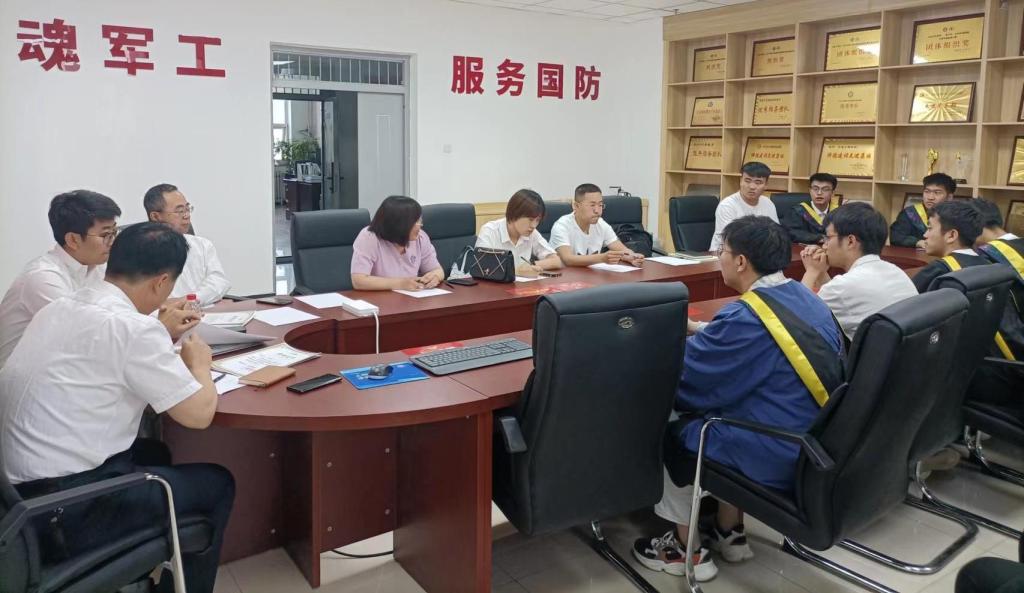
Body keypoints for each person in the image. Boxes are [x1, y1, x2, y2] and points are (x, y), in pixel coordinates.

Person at [0, 222, 233, 593]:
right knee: (217, 483)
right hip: (67, 510)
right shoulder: (133, 329)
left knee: (155, 451)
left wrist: (161, 336)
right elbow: (198, 415)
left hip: (18, 499)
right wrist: (200, 365)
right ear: (161, 282)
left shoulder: (60, 307)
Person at [633, 216, 843, 582]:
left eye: (723, 251)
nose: (720, 258)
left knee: (669, 419)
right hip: (812, 440)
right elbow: (765, 344)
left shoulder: (745, 318)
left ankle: (685, 549)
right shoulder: (802, 297)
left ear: (741, 261)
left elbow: (687, 383)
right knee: (730, 402)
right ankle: (729, 531)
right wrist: (705, 331)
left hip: (775, 452)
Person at [0, 190, 121, 368]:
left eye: (114, 232)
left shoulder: (97, 267)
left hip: (64, 368)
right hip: (23, 379)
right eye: (105, 235)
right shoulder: (43, 278)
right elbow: (89, 336)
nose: (113, 241)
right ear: (72, 240)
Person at [800, 202, 917, 341]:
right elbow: (840, 300)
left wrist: (811, 272)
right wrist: (821, 272)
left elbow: (796, 319)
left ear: (850, 241)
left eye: (828, 238)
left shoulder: (843, 286)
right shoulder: (895, 270)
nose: (824, 246)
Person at [144, 183, 231, 305]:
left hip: (203, 309)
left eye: (187, 209)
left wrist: (191, 299)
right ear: (156, 216)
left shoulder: (202, 245)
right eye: (179, 211)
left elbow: (219, 281)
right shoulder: (140, 252)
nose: (186, 215)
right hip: (164, 314)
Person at [350, 195, 445, 291]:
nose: (420, 225)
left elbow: (438, 270)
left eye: (420, 220)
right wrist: (401, 284)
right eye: (416, 222)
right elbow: (358, 281)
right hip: (377, 297)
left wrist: (434, 277)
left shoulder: (420, 237)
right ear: (400, 224)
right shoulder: (369, 237)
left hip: (412, 297)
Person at [549, 183, 644, 267]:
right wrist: (601, 258)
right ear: (576, 206)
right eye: (592, 205)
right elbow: (568, 259)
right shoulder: (562, 226)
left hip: (591, 276)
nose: (597, 211)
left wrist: (632, 257)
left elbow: (621, 249)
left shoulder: (600, 224)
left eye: (600, 205)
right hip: (565, 277)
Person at [476, 189, 562, 277]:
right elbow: (483, 267)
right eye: (530, 219)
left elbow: (556, 261)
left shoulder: (532, 233)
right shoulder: (490, 230)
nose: (534, 225)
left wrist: (532, 265)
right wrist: (517, 271)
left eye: (537, 220)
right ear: (515, 214)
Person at [911, 200, 986, 293]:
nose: (925, 235)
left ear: (951, 235)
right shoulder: (988, 265)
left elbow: (905, 298)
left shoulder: (938, 270)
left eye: (930, 228)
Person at [708, 162, 778, 252]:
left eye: (758, 182)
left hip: (757, 252)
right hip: (725, 253)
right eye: (747, 181)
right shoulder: (727, 205)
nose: (752, 187)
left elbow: (775, 233)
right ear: (740, 181)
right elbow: (730, 239)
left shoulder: (768, 203)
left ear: (766, 185)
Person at [890, 173, 956, 248]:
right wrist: (918, 242)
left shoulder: (957, 216)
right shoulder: (911, 213)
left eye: (937, 193)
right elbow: (896, 236)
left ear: (949, 197)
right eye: (927, 191)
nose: (930, 197)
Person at [785, 173, 841, 244]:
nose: (819, 193)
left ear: (833, 193)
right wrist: (819, 238)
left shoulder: (839, 212)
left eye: (825, 189)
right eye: (815, 189)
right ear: (810, 191)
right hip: (805, 249)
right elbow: (792, 232)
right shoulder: (798, 211)